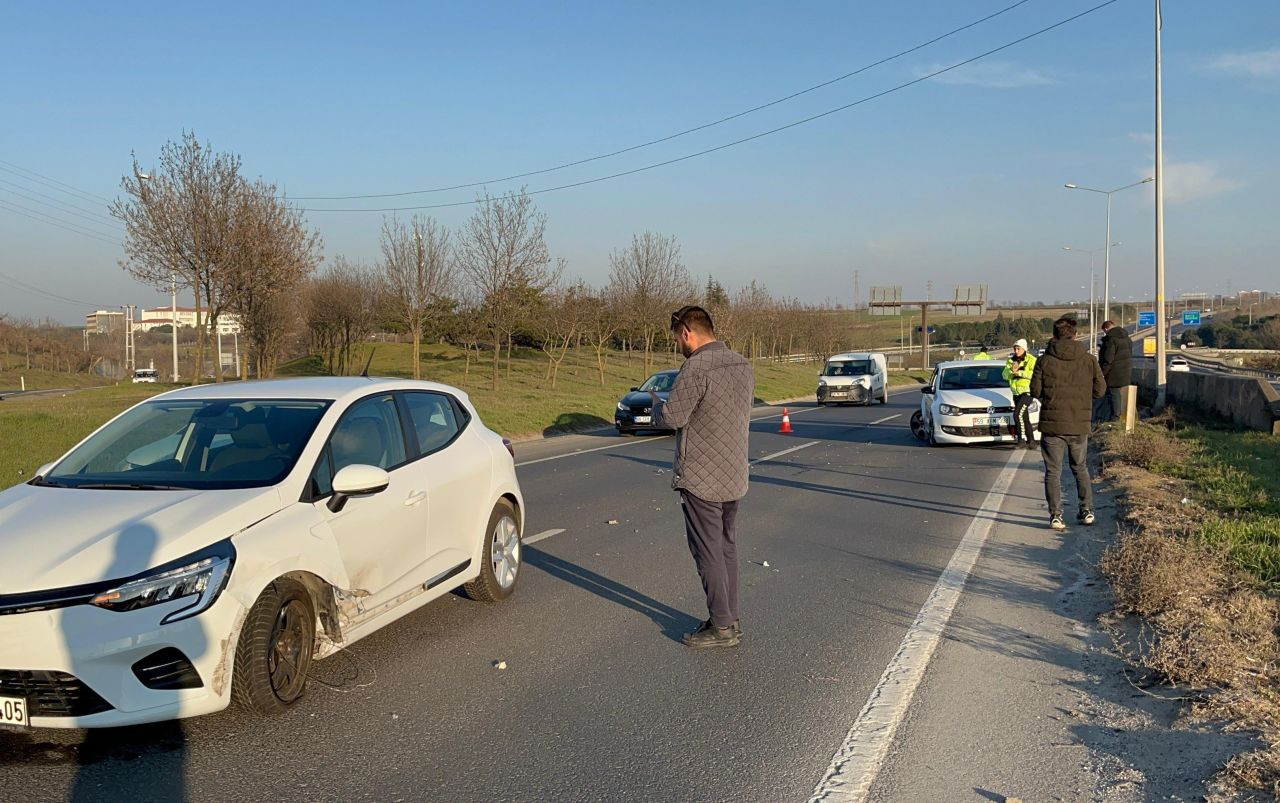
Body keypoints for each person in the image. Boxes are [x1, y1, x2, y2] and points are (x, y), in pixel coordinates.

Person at [649, 306, 755, 648]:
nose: (677, 344)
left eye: (676, 338)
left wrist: (655, 407)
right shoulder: (741, 363)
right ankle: (730, 617)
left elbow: (673, 417)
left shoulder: (696, 367)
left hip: (700, 477)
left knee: (707, 550)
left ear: (686, 333)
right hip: (734, 472)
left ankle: (721, 627)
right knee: (726, 546)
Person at [1031, 317, 1106, 531]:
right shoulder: (1089, 360)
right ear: (1075, 334)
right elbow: (1100, 390)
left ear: (1054, 336)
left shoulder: (1044, 360)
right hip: (1079, 424)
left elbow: (1035, 391)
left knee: (1053, 472)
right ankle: (1087, 510)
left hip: (1052, 426)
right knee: (1080, 468)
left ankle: (1056, 516)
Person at [1002, 338, 1037, 449]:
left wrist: (1020, 373)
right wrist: (1011, 371)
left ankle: (1021, 439)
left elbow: (1035, 374)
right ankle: (1031, 441)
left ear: (1024, 349)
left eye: (1018, 349)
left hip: (1027, 392)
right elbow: (1004, 375)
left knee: (1017, 414)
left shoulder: (1031, 360)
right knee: (1024, 417)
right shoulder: (1011, 360)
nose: (1016, 351)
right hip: (1016, 393)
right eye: (1015, 349)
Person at [1095, 320, 1133, 423]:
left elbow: (1108, 359)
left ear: (1106, 329)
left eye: (1104, 331)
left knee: (1113, 394)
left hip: (1113, 373)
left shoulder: (1111, 340)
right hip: (1125, 370)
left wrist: (1102, 373)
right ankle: (1117, 416)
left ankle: (1115, 418)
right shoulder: (1127, 338)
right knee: (1117, 394)